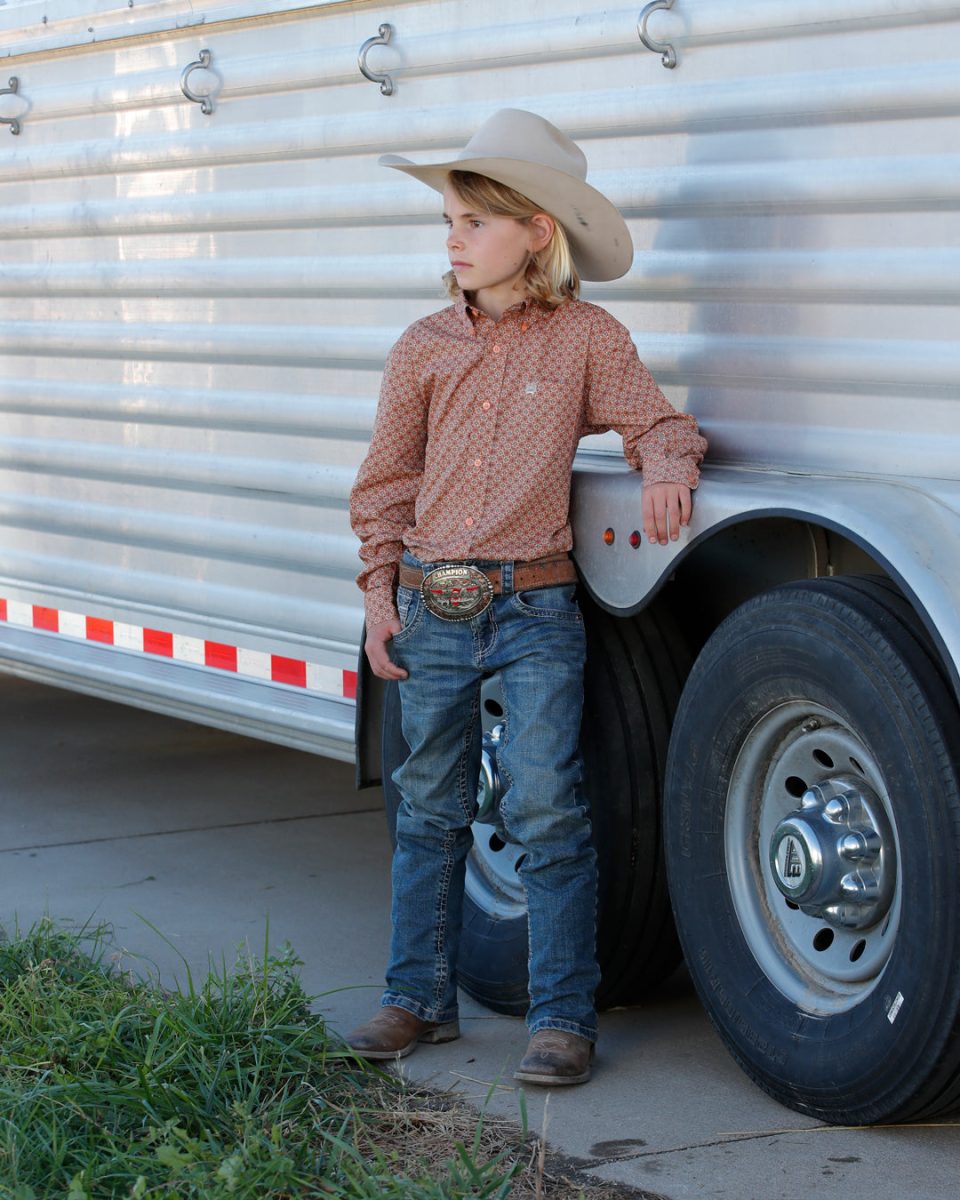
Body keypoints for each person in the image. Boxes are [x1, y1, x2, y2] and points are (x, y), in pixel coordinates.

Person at [347, 109, 706, 1086]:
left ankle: (561, 1017)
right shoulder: (423, 346)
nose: (454, 238)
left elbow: (658, 422)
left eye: (475, 221)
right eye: (450, 222)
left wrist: (666, 461)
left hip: (538, 605)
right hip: (438, 600)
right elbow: (385, 484)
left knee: (547, 805)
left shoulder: (588, 339)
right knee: (430, 803)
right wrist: (382, 595)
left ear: (537, 232)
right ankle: (417, 998)